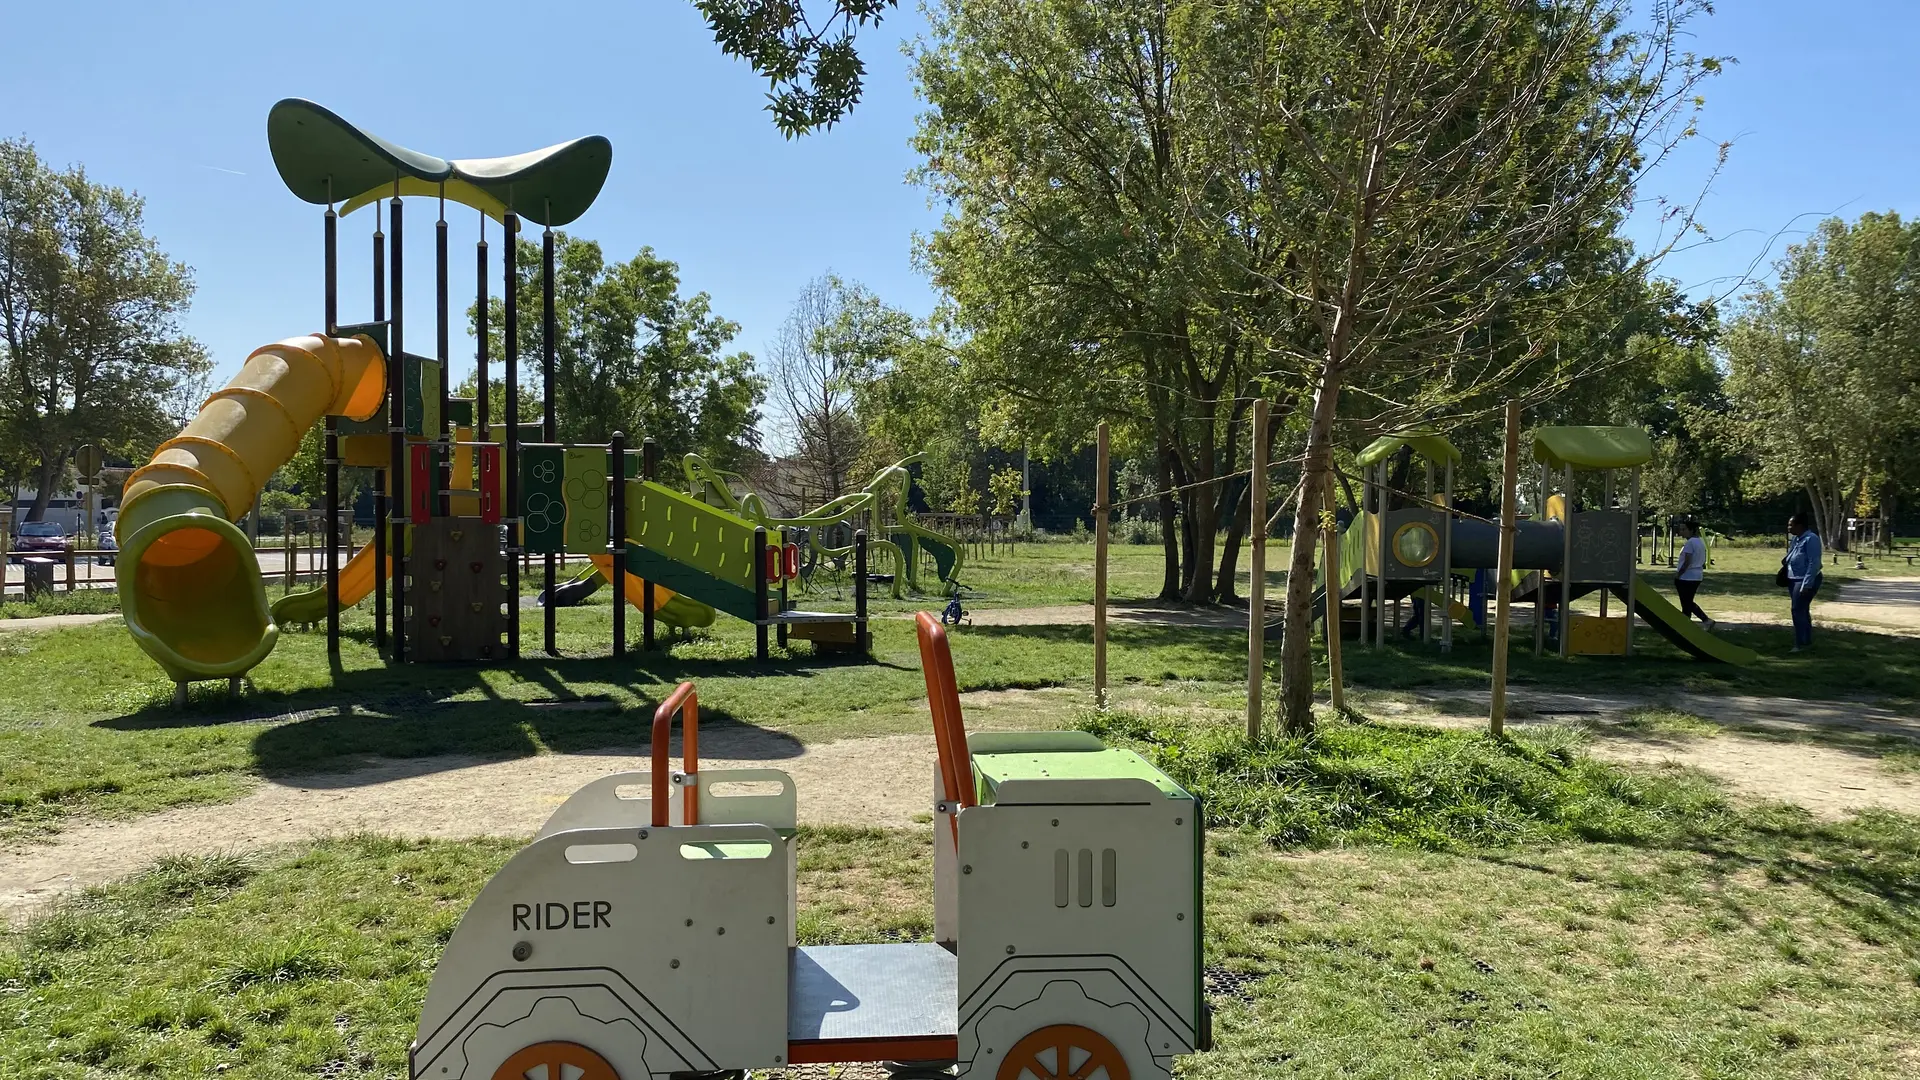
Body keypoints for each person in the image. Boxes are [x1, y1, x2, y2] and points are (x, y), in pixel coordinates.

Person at [1784, 514, 1824, 652]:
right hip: (1793, 578)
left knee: (1797, 610)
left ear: (1800, 525)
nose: (1789, 528)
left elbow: (1814, 563)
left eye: (1791, 525)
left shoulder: (1811, 539)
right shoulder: (1796, 539)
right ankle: (1805, 641)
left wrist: (1807, 584)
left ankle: (1799, 644)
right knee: (1801, 610)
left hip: (1804, 579)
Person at [1673, 521, 1714, 631]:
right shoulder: (1699, 542)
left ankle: (1706, 620)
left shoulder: (1690, 543)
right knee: (1687, 602)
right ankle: (1685, 624)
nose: (1681, 532)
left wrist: (1679, 574)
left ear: (1691, 530)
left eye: (1684, 529)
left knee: (1686, 602)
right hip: (1697, 575)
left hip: (1687, 576)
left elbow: (1687, 561)